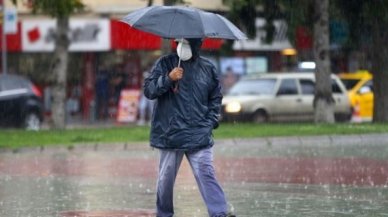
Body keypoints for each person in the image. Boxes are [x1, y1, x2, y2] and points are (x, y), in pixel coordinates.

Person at [144, 38, 235, 217]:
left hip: (199, 134)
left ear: (197, 44)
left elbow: (215, 97)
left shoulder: (207, 68)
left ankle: (219, 213)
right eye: (179, 41)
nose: (182, 45)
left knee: (206, 173)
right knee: (165, 180)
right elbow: (149, 90)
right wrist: (168, 79)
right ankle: (164, 213)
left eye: (187, 42)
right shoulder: (165, 63)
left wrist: (210, 122)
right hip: (170, 135)